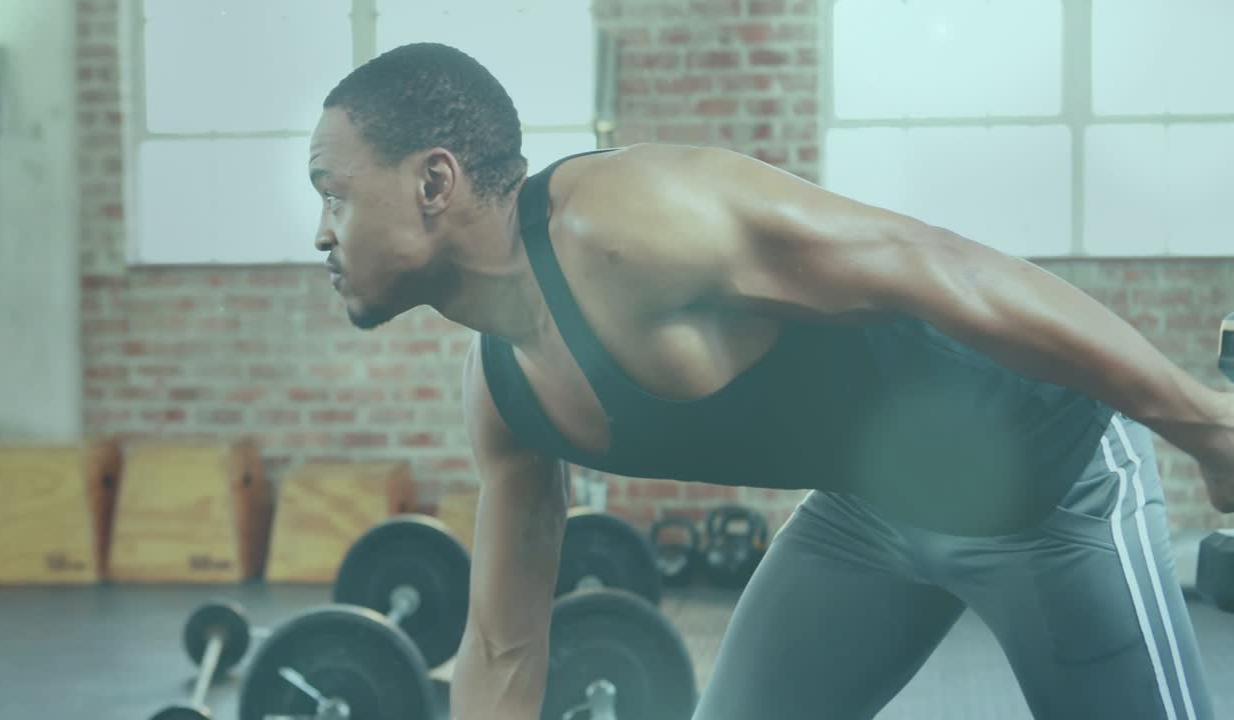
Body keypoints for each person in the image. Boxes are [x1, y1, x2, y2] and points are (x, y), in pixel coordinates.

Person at [308, 43, 1232, 720]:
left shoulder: (628, 221)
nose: (321, 232)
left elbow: (937, 263)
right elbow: (503, 649)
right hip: (869, 515)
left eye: (334, 192)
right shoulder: (504, 392)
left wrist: (1205, 424)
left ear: (434, 182)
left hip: (1044, 480)